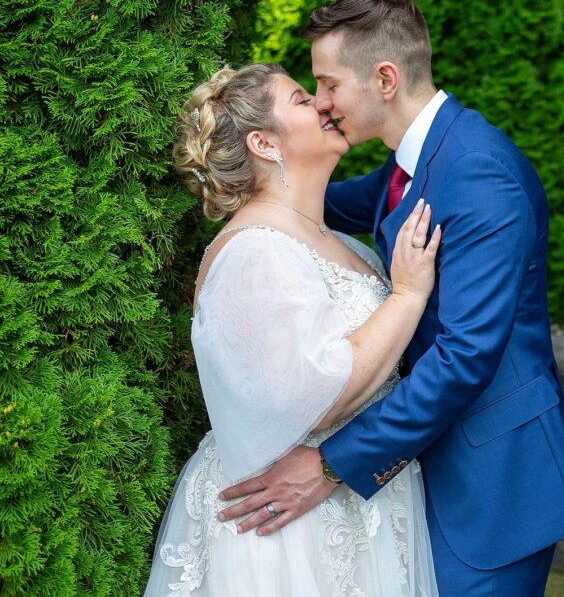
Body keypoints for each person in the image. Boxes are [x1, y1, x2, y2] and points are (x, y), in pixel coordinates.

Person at [218, 0, 564, 595]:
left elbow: (465, 356)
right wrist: (250, 188)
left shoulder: (478, 173)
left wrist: (332, 464)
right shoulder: (412, 159)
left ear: (384, 79)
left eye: (330, 84)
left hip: (494, 486)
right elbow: (319, 204)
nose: (321, 103)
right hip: (436, 468)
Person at [145, 63, 440, 596]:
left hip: (356, 504)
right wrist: (408, 295)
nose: (324, 105)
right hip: (285, 526)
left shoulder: (347, 246)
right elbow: (311, 397)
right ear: (264, 142)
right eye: (303, 100)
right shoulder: (254, 252)